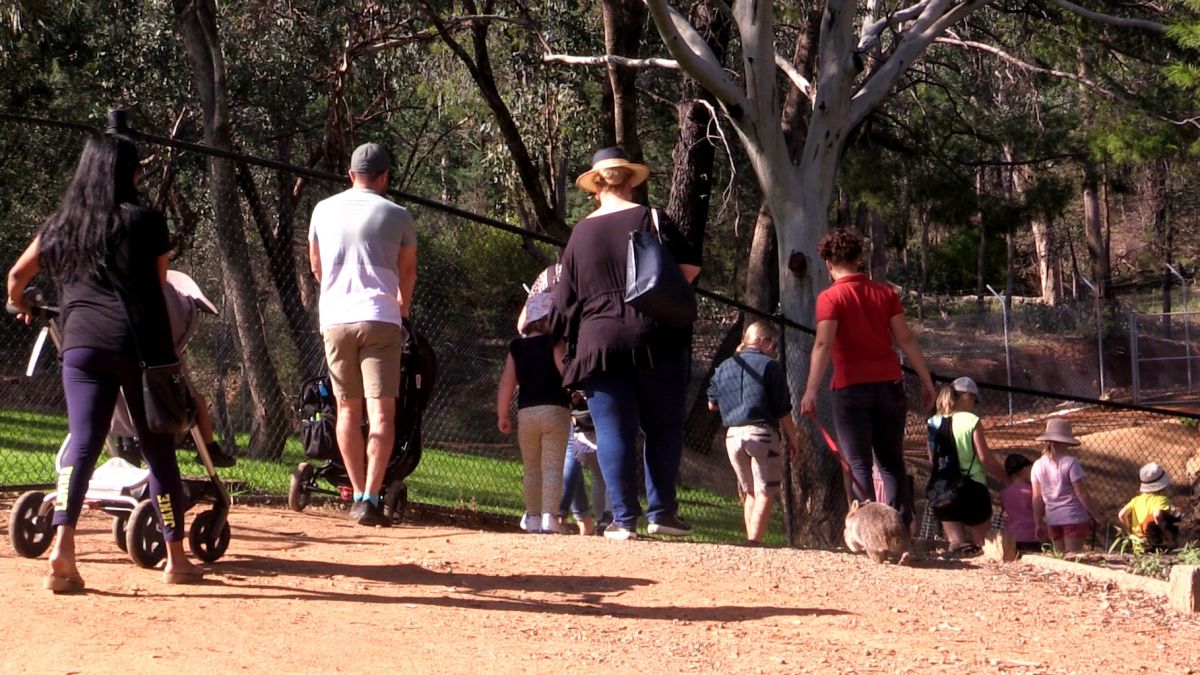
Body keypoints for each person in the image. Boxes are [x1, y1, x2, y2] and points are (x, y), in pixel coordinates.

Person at [7, 132, 205, 591]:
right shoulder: (148, 221)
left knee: (83, 442)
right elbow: (159, 287)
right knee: (158, 452)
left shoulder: (62, 224)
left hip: (81, 346)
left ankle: (63, 548)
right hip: (141, 348)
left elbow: (17, 277)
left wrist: (23, 304)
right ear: (129, 173)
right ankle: (176, 558)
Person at [551, 147, 702, 541]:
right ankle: (663, 512)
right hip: (657, 334)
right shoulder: (651, 219)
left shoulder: (580, 234)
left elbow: (565, 301)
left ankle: (621, 521)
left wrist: (565, 350)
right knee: (663, 426)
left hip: (599, 341)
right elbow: (690, 268)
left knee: (613, 430)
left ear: (595, 187)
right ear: (632, 181)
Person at [308, 142, 417, 526]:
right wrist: (400, 308)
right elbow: (408, 272)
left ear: (350, 175)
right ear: (385, 176)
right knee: (381, 413)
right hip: (381, 318)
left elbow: (316, 266)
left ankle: (354, 495)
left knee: (346, 410)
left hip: (335, 319)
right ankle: (372, 496)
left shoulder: (323, 209)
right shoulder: (399, 214)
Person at [800, 229, 936, 526]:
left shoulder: (830, 298)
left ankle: (868, 528)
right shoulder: (884, 293)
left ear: (828, 263)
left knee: (858, 463)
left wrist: (811, 390)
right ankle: (900, 528)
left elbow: (823, 344)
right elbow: (907, 339)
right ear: (859, 259)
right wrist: (927, 381)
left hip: (850, 389)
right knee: (890, 462)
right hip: (889, 386)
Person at [707, 321, 801, 545]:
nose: (774, 350)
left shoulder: (724, 366)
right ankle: (754, 543)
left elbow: (712, 405)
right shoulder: (770, 366)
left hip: (732, 436)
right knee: (766, 492)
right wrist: (793, 439)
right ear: (764, 342)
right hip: (762, 434)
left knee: (749, 492)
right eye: (773, 345)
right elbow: (783, 409)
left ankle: (751, 542)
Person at [496, 292, 570, 533]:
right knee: (552, 466)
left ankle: (532, 516)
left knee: (531, 467)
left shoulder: (517, 347)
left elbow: (507, 383)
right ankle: (550, 516)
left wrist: (502, 414)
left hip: (526, 414)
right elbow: (564, 371)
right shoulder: (555, 343)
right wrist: (577, 392)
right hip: (555, 411)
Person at [927, 377, 1007, 554]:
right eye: (974, 400)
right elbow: (985, 458)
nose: (975, 404)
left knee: (956, 544)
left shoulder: (933, 422)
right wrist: (1006, 479)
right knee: (983, 544)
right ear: (968, 397)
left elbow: (932, 459)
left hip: (942, 489)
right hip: (972, 488)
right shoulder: (971, 420)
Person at [1031, 418, 1102, 554]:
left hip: (1052, 518)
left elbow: (1037, 498)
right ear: (1065, 441)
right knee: (1073, 557)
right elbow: (1081, 494)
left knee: (1060, 558)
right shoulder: (1070, 463)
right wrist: (1097, 516)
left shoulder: (1037, 465)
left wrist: (1038, 522)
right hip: (1073, 516)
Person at [559, 391, 611, 535]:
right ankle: (607, 520)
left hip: (583, 426)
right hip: (602, 421)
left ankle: (600, 521)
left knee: (598, 477)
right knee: (608, 477)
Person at [1117, 462, 1180, 550]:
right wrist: (1166, 534)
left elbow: (1121, 515)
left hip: (1138, 547)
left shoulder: (1136, 500)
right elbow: (1157, 515)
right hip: (1157, 548)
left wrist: (1130, 533)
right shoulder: (1162, 500)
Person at [999, 453, 1039, 551]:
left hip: (1012, 537)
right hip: (1032, 535)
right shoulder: (1032, 491)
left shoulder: (1004, 493)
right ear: (1023, 470)